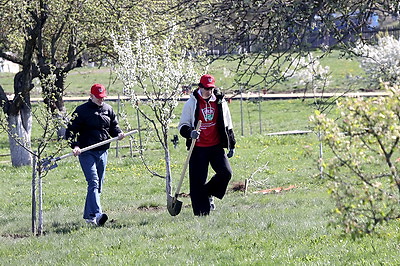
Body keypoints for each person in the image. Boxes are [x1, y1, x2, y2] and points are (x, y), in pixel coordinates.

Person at [65, 83, 125, 226]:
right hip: (86, 152)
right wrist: (75, 146)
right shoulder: (81, 111)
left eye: (103, 97)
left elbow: (113, 127)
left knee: (98, 185)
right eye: (98, 98)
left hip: (103, 151)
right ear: (91, 96)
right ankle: (98, 214)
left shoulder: (108, 109)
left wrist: (119, 133)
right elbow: (70, 132)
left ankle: (89, 216)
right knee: (93, 182)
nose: (101, 100)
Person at [178, 74, 236, 216]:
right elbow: (182, 126)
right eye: (205, 89)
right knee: (197, 183)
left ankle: (208, 192)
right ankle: (202, 215)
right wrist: (190, 133)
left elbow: (228, 123)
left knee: (226, 173)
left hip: (216, 146)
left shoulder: (220, 102)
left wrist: (231, 144)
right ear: (200, 87)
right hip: (198, 148)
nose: (208, 92)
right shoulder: (191, 103)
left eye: (211, 89)